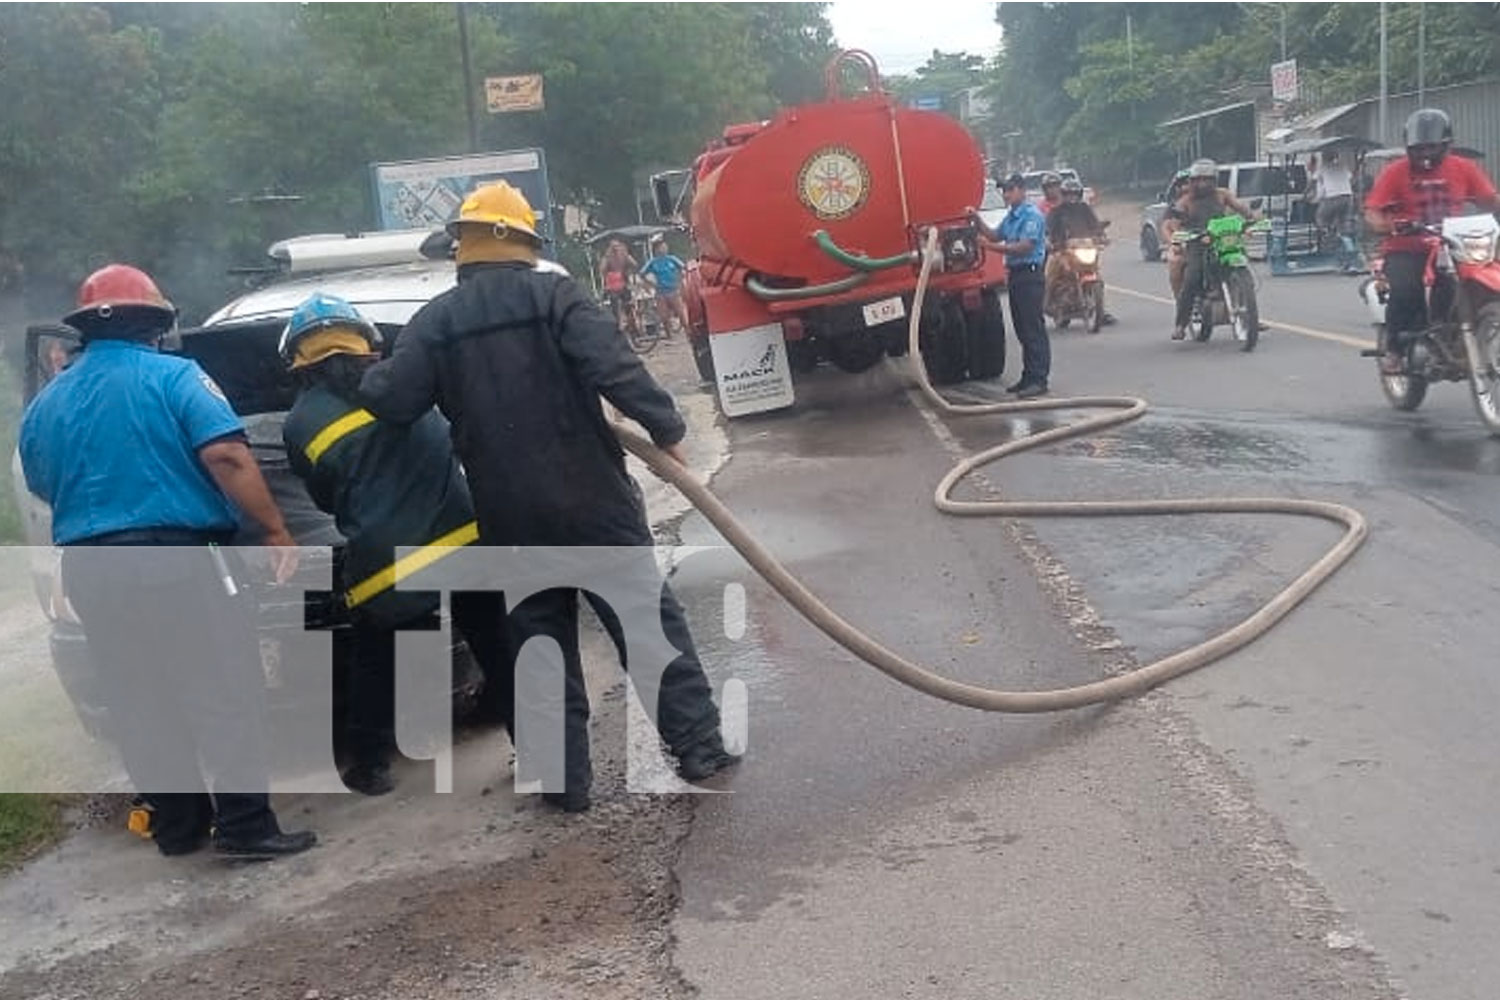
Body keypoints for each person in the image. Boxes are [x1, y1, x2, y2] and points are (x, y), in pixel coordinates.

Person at [359, 181, 739, 813]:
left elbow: (394, 400)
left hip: (511, 518)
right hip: (594, 504)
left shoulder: (435, 323)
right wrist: (665, 428)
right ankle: (697, 750)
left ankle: (563, 785)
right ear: (520, 242)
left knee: (537, 649)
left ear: (466, 248)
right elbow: (612, 363)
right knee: (646, 628)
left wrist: (366, 369)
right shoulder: (555, 295)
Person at [19, 264, 315, 860]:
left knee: (139, 700)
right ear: (156, 324)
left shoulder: (47, 403)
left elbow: (45, 483)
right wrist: (276, 529)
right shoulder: (176, 376)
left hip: (92, 570)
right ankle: (245, 828)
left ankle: (178, 829)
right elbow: (229, 456)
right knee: (222, 688)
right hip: (177, 560)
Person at [279, 292, 500, 797]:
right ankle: (528, 739)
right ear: (365, 342)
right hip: (462, 539)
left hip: (385, 562)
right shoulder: (406, 378)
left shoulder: (299, 423)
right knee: (494, 639)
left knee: (376, 658)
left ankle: (369, 764)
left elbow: (325, 495)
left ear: (299, 359)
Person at [1365, 108, 1500, 374]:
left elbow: (1489, 200)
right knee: (1406, 291)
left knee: (1484, 279)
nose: (1425, 154)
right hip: (1407, 247)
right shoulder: (1394, 172)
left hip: (1454, 243)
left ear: (1447, 145)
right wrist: (1385, 225)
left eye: (1432, 148)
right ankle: (1394, 348)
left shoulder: (1464, 168)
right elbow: (1373, 211)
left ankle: (1460, 331)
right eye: (1418, 149)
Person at [974, 172, 1050, 398]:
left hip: (1030, 275)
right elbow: (996, 235)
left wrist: (989, 247)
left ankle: (1039, 379)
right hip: (1016, 276)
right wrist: (976, 220)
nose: (1006, 195)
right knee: (1022, 329)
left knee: (1033, 329)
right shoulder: (1012, 216)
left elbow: (1024, 247)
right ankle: (1028, 377)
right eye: (1004, 191)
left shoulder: (1031, 215)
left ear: (1021, 190)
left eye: (1010, 190)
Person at [1169, 158, 1260, 341]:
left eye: (1207, 179)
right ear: (1192, 181)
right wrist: (1178, 238)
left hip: (1224, 240)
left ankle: (1252, 316)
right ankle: (1181, 323)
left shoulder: (1222, 195)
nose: (1202, 184)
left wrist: (1252, 219)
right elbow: (1174, 224)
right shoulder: (1185, 202)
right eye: (1198, 180)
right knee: (1191, 279)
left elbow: (1241, 208)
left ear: (1214, 180)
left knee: (1244, 268)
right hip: (1198, 243)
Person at [1044, 177, 1114, 324]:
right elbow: (1048, 230)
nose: (1072, 197)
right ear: (1063, 195)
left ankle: (1101, 309)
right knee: (1051, 273)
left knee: (1097, 275)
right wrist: (1051, 243)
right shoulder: (1056, 212)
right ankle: (1047, 302)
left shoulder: (1085, 209)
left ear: (1080, 194)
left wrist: (1101, 236)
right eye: (1069, 194)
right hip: (1063, 250)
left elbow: (1095, 225)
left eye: (1075, 194)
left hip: (1084, 248)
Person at [640, 235, 690, 337]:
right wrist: (650, 284)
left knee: (681, 313)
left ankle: (688, 332)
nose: (664, 249)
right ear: (656, 250)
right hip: (661, 292)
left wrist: (681, 280)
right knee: (664, 316)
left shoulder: (671, 259)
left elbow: (683, 268)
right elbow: (642, 273)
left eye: (664, 247)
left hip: (674, 290)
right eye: (661, 247)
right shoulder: (653, 262)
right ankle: (669, 335)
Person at [1313, 150, 1355, 251]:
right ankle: (1346, 245)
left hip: (1333, 197)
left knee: (1320, 217)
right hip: (1347, 197)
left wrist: (1305, 194)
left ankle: (1327, 236)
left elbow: (1312, 180)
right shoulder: (1342, 166)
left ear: (1324, 158)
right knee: (1344, 223)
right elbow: (1351, 178)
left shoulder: (1323, 168)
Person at [599, 240, 640, 334]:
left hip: (623, 284)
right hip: (613, 286)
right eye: (614, 247)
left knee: (629, 306)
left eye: (617, 246)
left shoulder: (624, 255)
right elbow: (602, 270)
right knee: (615, 307)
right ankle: (619, 327)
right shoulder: (608, 257)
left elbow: (635, 264)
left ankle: (632, 327)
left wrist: (628, 268)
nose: (616, 249)